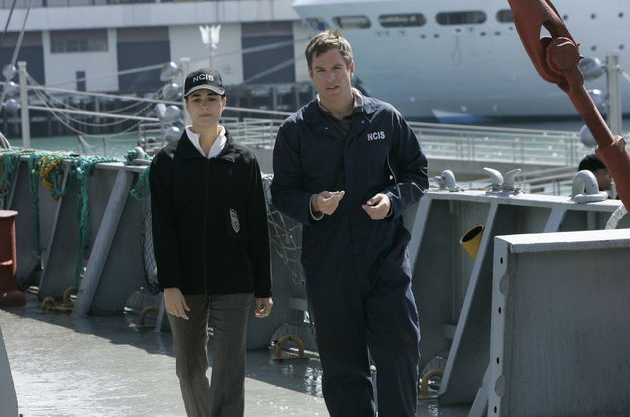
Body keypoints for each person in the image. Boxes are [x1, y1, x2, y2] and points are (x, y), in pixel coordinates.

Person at [270, 30, 429, 417]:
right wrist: (313, 203)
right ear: (311, 75)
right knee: (342, 366)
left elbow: (417, 173)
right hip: (329, 264)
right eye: (321, 70)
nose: (331, 77)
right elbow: (283, 192)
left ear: (351, 68)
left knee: (400, 350)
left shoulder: (385, 117)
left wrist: (391, 201)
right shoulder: (295, 129)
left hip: (385, 258)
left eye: (337, 68)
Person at [149, 68, 273, 417]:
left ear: (224, 103)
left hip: (234, 281)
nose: (204, 105)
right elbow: (162, 227)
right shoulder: (166, 162)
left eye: (211, 99)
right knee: (188, 367)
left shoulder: (243, 160)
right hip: (184, 284)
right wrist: (169, 284)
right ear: (187, 105)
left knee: (229, 371)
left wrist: (263, 287)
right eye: (197, 99)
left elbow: (257, 227)